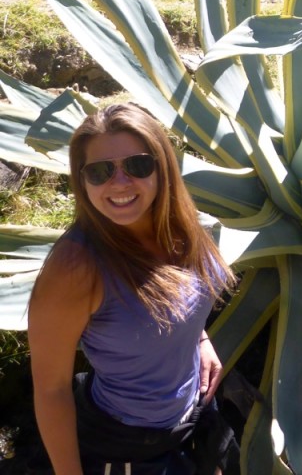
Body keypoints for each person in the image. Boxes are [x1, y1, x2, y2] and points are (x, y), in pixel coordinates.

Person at [27, 104, 238, 474]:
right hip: (129, 445)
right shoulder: (75, 269)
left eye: (138, 166)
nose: (120, 183)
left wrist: (198, 339)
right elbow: (50, 391)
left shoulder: (180, 228)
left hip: (194, 413)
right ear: (82, 180)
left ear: (162, 169)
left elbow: (173, 297)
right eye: (100, 171)